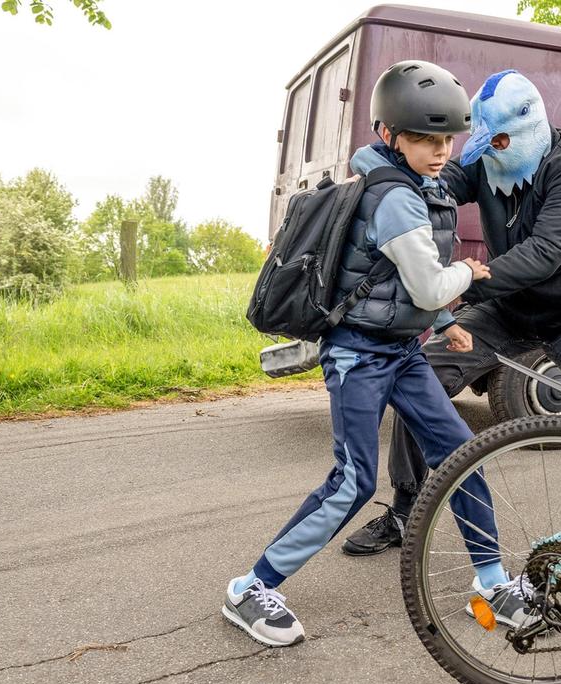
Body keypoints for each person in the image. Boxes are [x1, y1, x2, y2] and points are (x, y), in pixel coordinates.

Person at [223, 61, 536, 648]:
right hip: (358, 357)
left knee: (463, 455)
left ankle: (492, 582)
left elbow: (392, 275)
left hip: (400, 350)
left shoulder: (419, 185)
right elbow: (425, 282)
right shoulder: (395, 197)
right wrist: (465, 276)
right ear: (391, 135)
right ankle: (251, 588)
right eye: (425, 138)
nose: (441, 151)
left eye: (447, 139)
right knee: (354, 480)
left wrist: (444, 322)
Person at [343, 69, 561, 560]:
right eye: (484, 142)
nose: (491, 150)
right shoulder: (489, 158)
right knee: (420, 373)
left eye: (500, 141)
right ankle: (405, 506)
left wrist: (464, 279)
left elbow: (544, 253)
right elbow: (439, 179)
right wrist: (388, 187)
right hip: (505, 309)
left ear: (530, 127)